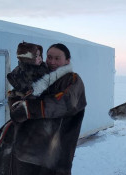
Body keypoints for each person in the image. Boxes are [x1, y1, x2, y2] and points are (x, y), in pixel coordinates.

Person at [8, 43, 87, 175]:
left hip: (54, 151)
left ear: (67, 60)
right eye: (49, 57)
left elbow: (66, 103)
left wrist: (29, 109)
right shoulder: (37, 75)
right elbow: (17, 96)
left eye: (57, 58)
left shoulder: (72, 80)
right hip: (26, 148)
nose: (52, 62)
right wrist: (15, 103)